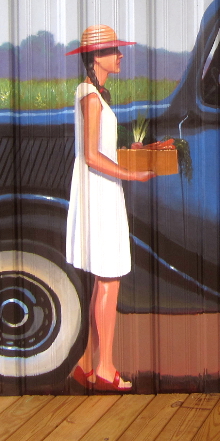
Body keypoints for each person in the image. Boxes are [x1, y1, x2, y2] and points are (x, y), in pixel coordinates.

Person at [65, 24, 155, 392]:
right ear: (96, 58)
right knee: (109, 280)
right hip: (99, 193)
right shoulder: (90, 96)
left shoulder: (93, 92)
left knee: (104, 280)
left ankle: (86, 363)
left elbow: (98, 148)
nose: (120, 56)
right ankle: (105, 368)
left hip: (101, 189)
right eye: (113, 51)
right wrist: (130, 175)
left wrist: (126, 161)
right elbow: (89, 155)